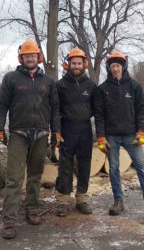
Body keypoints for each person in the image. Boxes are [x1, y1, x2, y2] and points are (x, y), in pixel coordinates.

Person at [0, 39, 61, 239]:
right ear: (21, 57)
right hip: (18, 134)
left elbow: (55, 108)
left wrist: (55, 132)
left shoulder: (48, 81)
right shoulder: (11, 78)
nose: (30, 58)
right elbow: (1, 104)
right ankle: (9, 221)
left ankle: (32, 209)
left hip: (41, 134)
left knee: (35, 176)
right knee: (14, 178)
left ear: (38, 57)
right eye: (26, 55)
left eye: (33, 55)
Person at [94, 51, 144, 223]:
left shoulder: (134, 86)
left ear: (123, 67)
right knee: (113, 169)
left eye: (118, 65)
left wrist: (141, 132)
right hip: (111, 136)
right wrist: (100, 136)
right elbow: (99, 114)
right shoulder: (102, 89)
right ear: (109, 68)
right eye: (112, 66)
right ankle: (118, 202)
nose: (115, 69)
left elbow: (141, 110)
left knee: (142, 169)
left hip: (131, 135)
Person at [55, 48, 97, 217]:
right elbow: (55, 109)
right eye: (74, 63)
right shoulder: (61, 85)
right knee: (65, 165)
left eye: (79, 63)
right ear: (68, 64)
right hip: (67, 128)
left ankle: (82, 199)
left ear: (84, 64)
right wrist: (56, 131)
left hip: (85, 129)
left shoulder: (91, 85)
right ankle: (63, 200)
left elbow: (97, 108)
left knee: (84, 164)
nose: (76, 66)